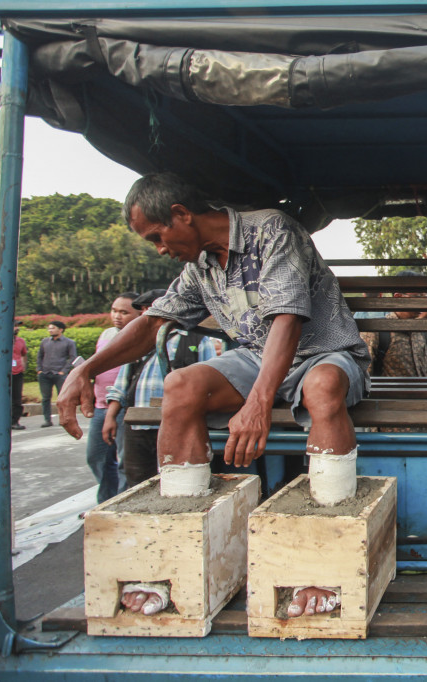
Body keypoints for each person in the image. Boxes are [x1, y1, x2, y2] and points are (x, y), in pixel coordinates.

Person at [57, 172, 369, 620]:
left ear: (182, 215)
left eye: (158, 237)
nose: (160, 249)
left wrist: (258, 404)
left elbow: (287, 320)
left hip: (324, 353)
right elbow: (150, 324)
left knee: (322, 388)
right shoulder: (199, 268)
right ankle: (177, 555)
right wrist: (85, 369)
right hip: (259, 359)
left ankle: (323, 554)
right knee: (179, 386)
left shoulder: (271, 229)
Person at [103, 289, 217, 489]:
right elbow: (122, 384)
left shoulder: (197, 340)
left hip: (176, 424)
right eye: (145, 309)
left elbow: (211, 381)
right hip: (138, 425)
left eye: (151, 307)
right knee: (136, 480)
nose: (147, 312)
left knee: (175, 480)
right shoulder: (137, 344)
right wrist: (111, 416)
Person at [83, 293, 140, 503]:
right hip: (101, 406)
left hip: (125, 406)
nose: (117, 316)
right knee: (96, 456)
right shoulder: (107, 334)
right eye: (114, 310)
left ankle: (123, 502)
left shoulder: (139, 338)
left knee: (126, 459)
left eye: (124, 312)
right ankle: (106, 500)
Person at [37, 320, 77, 427]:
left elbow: (73, 357)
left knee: (62, 398)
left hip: (59, 374)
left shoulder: (69, 342)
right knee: (45, 398)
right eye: (49, 328)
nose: (50, 330)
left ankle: (63, 418)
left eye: (53, 328)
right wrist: (39, 369)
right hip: (45, 374)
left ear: (61, 330)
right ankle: (47, 420)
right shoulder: (44, 342)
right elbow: (40, 356)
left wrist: (64, 371)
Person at [11, 319, 27, 430]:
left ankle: (14, 421)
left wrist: (23, 366)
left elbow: (24, 354)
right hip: (3, 374)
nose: (17, 328)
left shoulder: (21, 341)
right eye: (14, 326)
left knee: (17, 399)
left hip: (17, 373)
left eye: (17, 326)